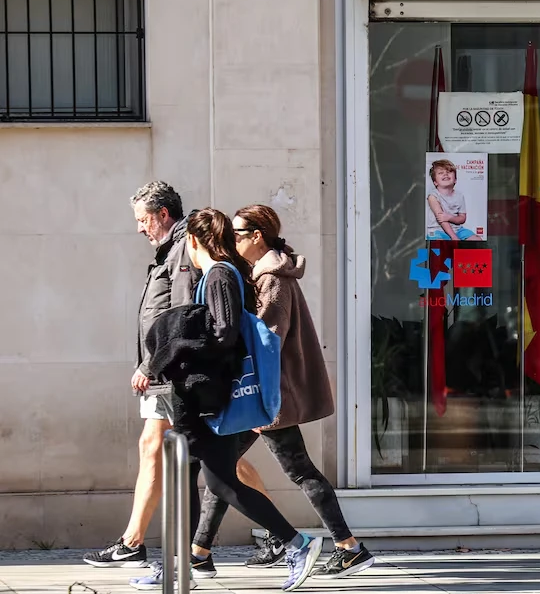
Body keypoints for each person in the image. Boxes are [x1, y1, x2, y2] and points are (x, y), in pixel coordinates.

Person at [132, 208, 324, 591]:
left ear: (192, 241)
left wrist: (172, 349)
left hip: (207, 396)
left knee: (221, 484)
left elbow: (223, 335)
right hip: (200, 395)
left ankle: (297, 543)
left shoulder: (219, 275)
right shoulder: (217, 274)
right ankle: (181, 563)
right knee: (193, 477)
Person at [189, 205, 375, 579]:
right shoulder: (261, 275)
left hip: (270, 396)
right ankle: (199, 552)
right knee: (222, 470)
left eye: (236, 235)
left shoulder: (273, 279)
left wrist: (258, 400)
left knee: (295, 471)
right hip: (266, 395)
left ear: (257, 236)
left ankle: (349, 547)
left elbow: (267, 342)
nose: (231, 241)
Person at [84, 182, 201, 569]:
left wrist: (152, 365)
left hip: (171, 372)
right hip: (165, 371)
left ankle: (134, 542)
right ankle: (281, 534)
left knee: (162, 448)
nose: (139, 228)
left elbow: (184, 315)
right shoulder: (172, 248)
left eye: (143, 220)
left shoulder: (182, 248)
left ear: (163, 214)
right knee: (215, 455)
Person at [426, 158, 481, 241]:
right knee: (439, 244)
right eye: (441, 173)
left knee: (476, 239)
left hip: (457, 230)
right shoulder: (433, 196)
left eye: (449, 172)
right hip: (437, 231)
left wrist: (450, 217)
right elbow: (442, 220)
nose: (445, 174)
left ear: (455, 180)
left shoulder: (459, 196)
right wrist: (454, 237)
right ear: (435, 182)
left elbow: (462, 218)